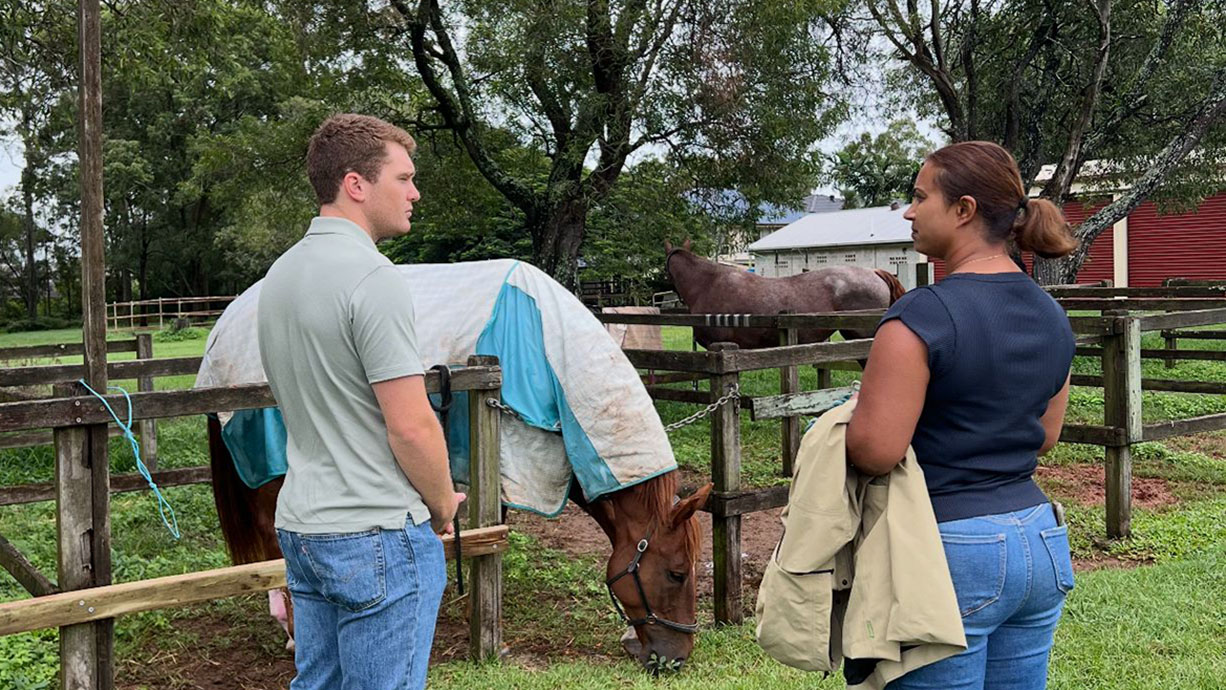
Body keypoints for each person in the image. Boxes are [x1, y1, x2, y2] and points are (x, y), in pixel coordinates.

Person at [846, 141, 1079, 690]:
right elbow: (1045, 437)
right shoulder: (1052, 314)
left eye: (919, 196)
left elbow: (875, 450)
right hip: (1040, 542)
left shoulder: (921, 315)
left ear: (964, 209)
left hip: (948, 552)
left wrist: (848, 418)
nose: (908, 211)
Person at [257, 113, 463, 690]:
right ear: (356, 184)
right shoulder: (373, 278)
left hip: (302, 526)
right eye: (403, 177)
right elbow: (411, 426)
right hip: (376, 531)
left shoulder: (280, 276)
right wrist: (443, 503)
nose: (415, 192)